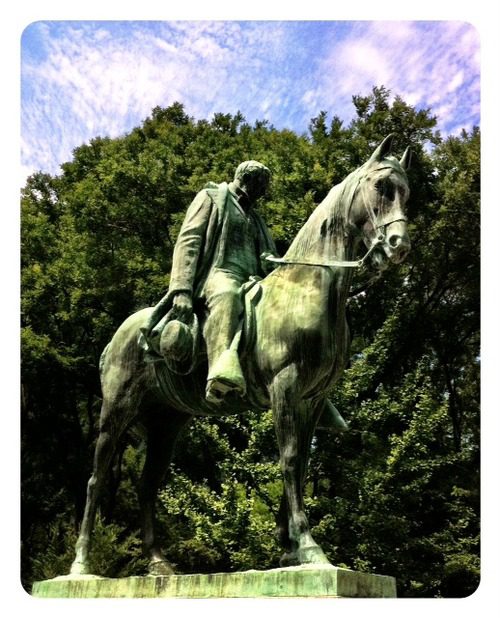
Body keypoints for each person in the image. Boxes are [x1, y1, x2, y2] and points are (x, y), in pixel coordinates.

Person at [143, 160, 277, 404]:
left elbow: (266, 255)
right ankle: (219, 372)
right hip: (218, 276)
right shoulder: (212, 197)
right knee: (228, 294)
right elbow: (189, 240)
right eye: (261, 186)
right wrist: (181, 289)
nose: (262, 193)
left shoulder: (257, 220)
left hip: (253, 281)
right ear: (248, 180)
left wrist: (272, 260)